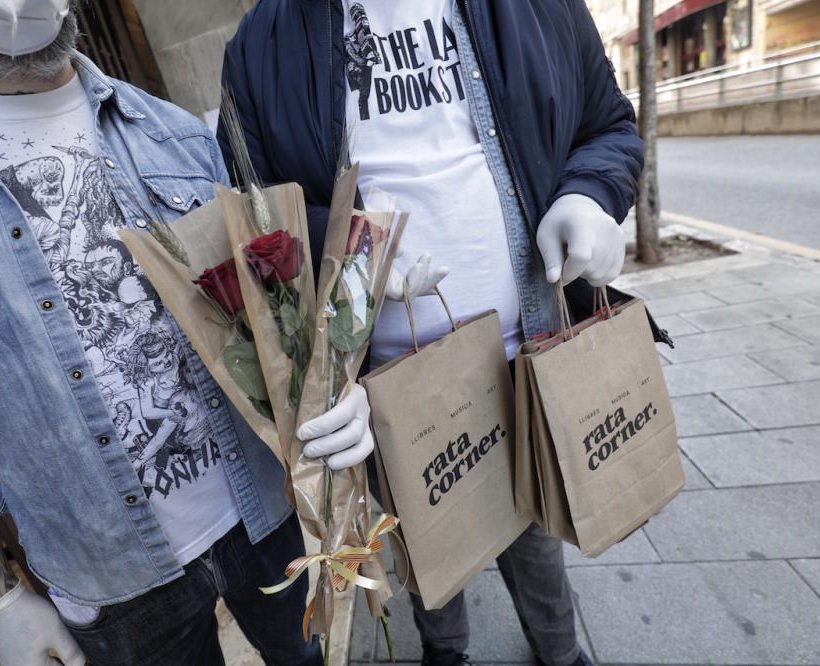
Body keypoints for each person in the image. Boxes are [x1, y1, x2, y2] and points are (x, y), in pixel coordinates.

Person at [0, 1, 374, 664]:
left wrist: (338, 383)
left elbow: (263, 309)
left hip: (263, 513)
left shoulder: (168, 128)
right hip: (108, 573)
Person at [219, 1, 663, 665]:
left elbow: (606, 127)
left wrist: (590, 196)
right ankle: (445, 650)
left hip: (527, 358)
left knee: (535, 530)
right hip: (382, 390)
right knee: (423, 534)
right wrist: (349, 254)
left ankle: (559, 649)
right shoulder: (263, 41)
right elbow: (256, 219)